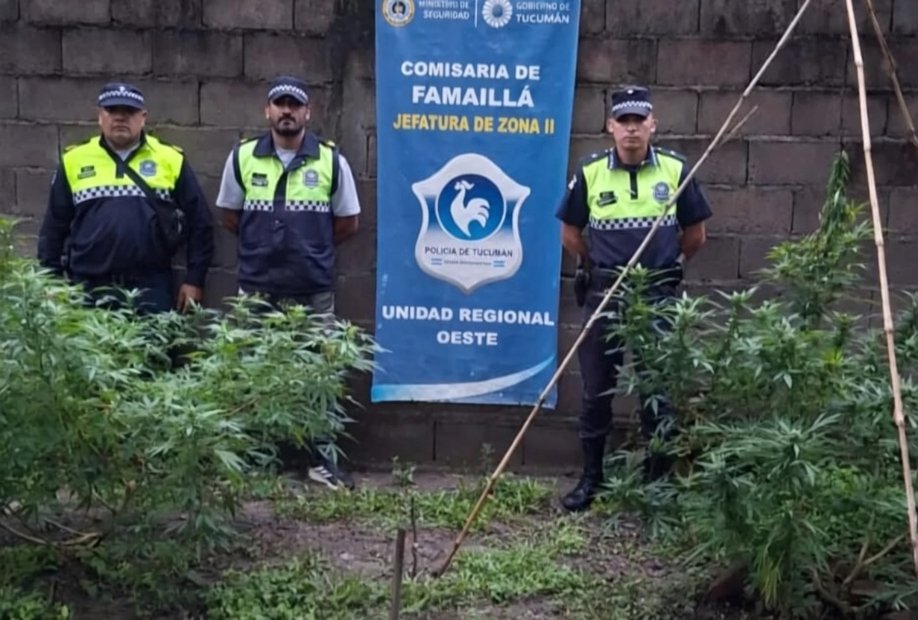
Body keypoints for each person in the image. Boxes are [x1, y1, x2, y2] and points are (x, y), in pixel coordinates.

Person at [555, 85, 712, 512]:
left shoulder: (676, 171)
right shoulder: (590, 173)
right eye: (622, 121)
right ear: (610, 127)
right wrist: (594, 264)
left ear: (652, 125)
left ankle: (656, 483)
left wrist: (670, 261)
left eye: (638, 121)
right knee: (595, 390)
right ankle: (592, 479)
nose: (630, 129)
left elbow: (696, 235)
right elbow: (570, 232)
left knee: (656, 391)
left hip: (656, 293)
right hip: (605, 292)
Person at [215, 75, 361, 491]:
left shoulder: (331, 161)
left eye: (294, 105)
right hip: (256, 289)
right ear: (267, 111)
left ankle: (322, 460)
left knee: (321, 374)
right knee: (251, 370)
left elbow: (348, 223)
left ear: (307, 113)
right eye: (279, 104)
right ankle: (254, 458)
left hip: (312, 290)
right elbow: (230, 216)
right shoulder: (242, 157)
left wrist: (307, 249)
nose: (286, 111)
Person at [37, 82, 214, 314]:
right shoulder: (74, 160)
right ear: (100, 116)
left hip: (150, 286)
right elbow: (54, 227)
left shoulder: (170, 159)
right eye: (112, 111)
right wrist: (51, 281)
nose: (120, 118)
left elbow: (201, 222)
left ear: (143, 117)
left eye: (129, 112)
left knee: (153, 351)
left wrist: (194, 279)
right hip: (89, 287)